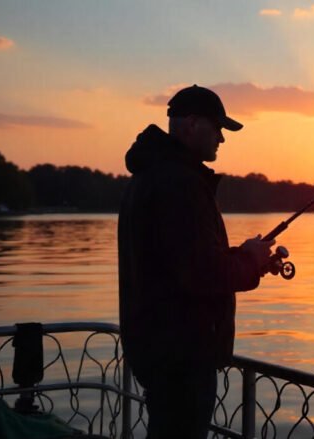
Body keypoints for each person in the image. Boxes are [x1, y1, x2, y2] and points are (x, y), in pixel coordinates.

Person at [118, 85, 275, 438]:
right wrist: (250, 263)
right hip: (181, 359)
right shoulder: (178, 184)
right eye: (217, 127)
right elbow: (203, 273)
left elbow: (181, 264)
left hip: (160, 352)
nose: (222, 138)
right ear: (191, 124)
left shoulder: (149, 176)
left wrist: (247, 256)